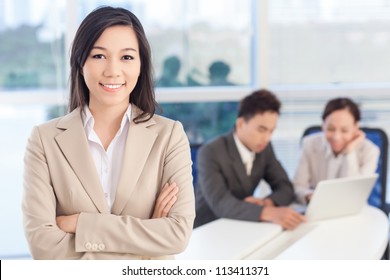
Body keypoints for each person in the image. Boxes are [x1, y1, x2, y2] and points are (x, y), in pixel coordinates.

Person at [22, 6, 195, 260]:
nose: (113, 71)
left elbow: (177, 235)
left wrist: (80, 223)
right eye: (99, 56)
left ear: (141, 65)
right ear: (80, 63)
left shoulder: (169, 136)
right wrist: (145, 242)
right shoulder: (44, 140)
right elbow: (43, 246)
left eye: (126, 57)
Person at [194, 89, 305, 229]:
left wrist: (267, 203)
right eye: (262, 130)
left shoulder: (264, 148)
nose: (267, 138)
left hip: (243, 224)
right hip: (209, 229)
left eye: (271, 131)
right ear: (240, 124)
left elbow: (285, 187)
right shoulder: (210, 152)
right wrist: (267, 212)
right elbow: (221, 203)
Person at [293, 97, 380, 204]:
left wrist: (349, 153)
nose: (336, 137)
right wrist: (309, 196)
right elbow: (298, 186)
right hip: (317, 206)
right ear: (323, 125)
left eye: (344, 130)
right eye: (330, 129)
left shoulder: (370, 151)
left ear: (356, 127)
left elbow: (353, 193)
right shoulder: (309, 144)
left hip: (353, 211)